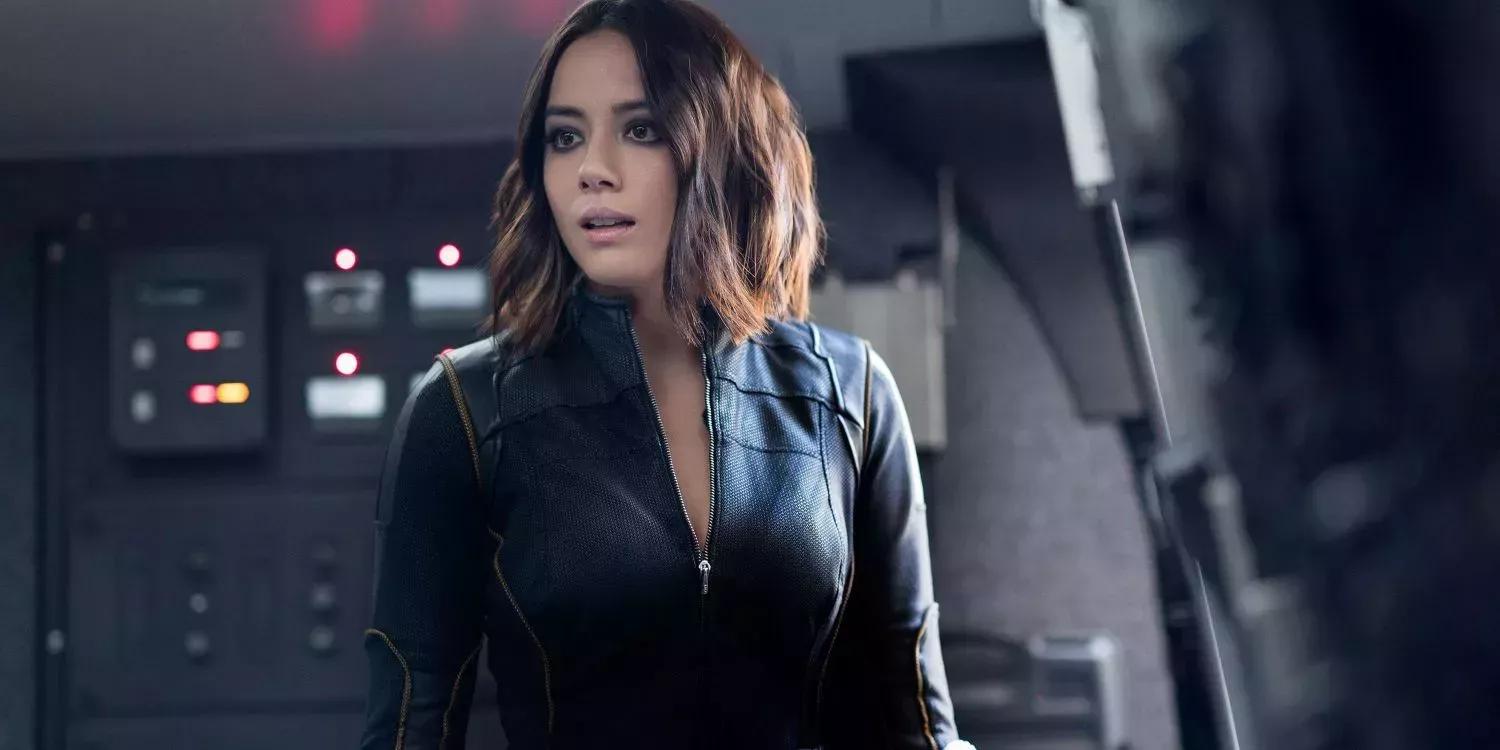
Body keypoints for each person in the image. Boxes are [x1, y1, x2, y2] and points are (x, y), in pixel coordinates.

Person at [358, 0, 966, 748]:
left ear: (722, 149)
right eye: (565, 136)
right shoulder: (464, 407)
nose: (592, 170)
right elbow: (409, 726)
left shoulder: (851, 390)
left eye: (640, 129)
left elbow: (916, 721)